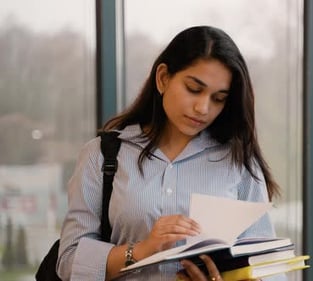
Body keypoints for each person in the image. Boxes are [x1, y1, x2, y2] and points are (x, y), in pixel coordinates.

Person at [56, 25, 282, 281]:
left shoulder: (239, 164)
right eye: (194, 89)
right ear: (163, 78)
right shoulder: (102, 155)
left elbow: (269, 269)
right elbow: (69, 262)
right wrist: (142, 250)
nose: (203, 108)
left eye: (218, 98)